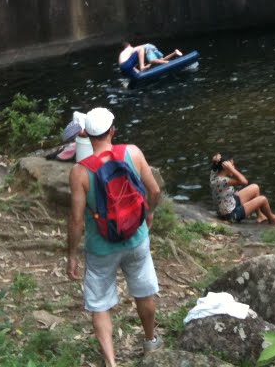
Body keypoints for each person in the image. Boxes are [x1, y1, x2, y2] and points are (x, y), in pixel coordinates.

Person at [67, 107, 163, 367]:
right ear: (113, 131)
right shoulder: (133, 152)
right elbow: (154, 190)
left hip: (101, 246)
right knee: (144, 293)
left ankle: (111, 363)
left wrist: (72, 255)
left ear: (85, 134)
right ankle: (151, 342)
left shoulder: (79, 172)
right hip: (136, 238)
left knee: (99, 305)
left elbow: (76, 220)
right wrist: (149, 213)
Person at [209, 154, 275, 224]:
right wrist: (232, 170)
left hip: (229, 203)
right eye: (232, 165)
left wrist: (215, 160)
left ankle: (260, 216)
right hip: (231, 215)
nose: (234, 167)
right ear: (225, 167)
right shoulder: (222, 181)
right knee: (263, 199)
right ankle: (272, 219)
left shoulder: (214, 176)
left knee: (255, 187)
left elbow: (214, 166)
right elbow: (244, 181)